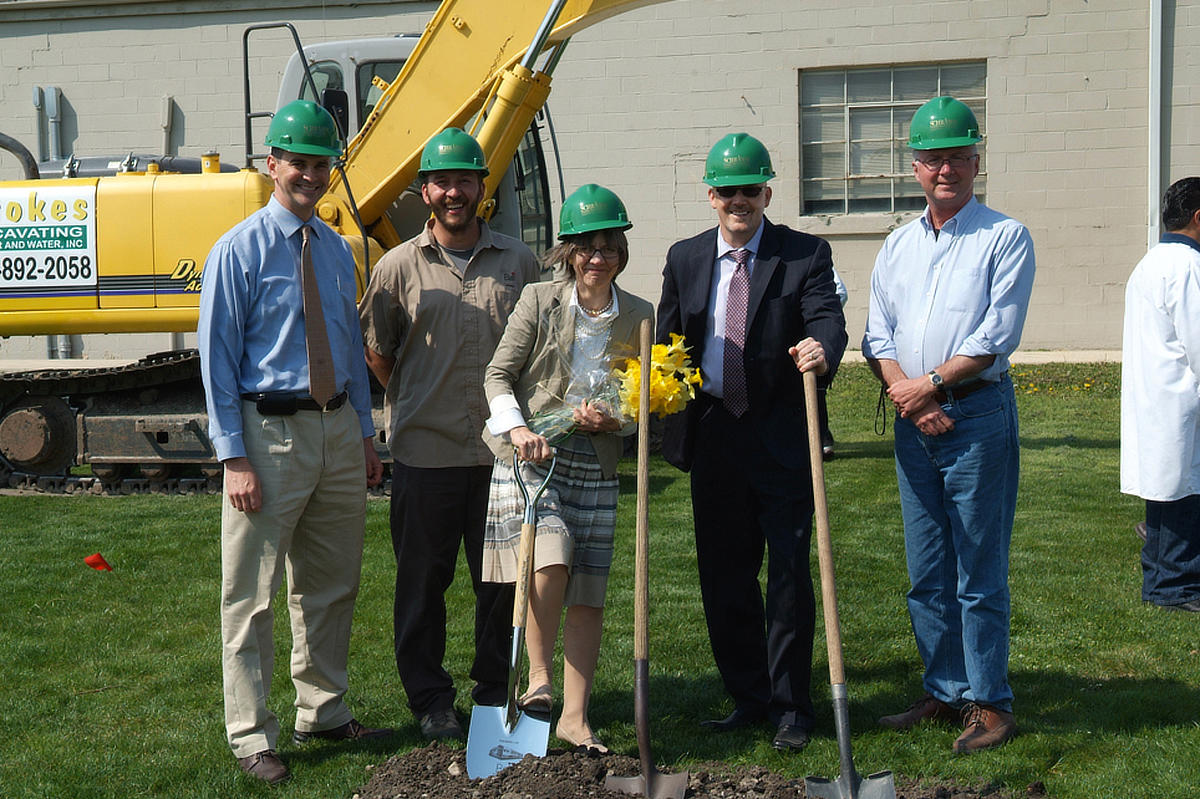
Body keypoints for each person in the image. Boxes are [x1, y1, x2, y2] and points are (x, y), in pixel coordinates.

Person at [198, 100, 389, 785]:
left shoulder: (336, 250)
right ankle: (251, 733)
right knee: (250, 591)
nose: (309, 175)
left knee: (332, 582)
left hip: (337, 428)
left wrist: (365, 434)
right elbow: (216, 361)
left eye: (320, 164)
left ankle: (325, 708)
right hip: (267, 432)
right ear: (270, 164)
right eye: (297, 163)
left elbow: (347, 348)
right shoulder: (237, 250)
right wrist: (233, 457)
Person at [656, 132, 847, 752]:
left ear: (768, 192)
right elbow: (667, 340)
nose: (740, 201)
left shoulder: (803, 254)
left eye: (751, 190)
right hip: (714, 431)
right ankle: (749, 695)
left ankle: (792, 705)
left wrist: (823, 347)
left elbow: (827, 319)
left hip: (781, 431)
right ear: (710, 196)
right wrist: (657, 388)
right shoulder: (685, 258)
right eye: (728, 191)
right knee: (724, 573)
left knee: (790, 572)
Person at [862, 95, 1036, 754]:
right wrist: (911, 397)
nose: (945, 169)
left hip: (976, 416)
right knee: (927, 569)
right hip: (916, 422)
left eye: (957, 156)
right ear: (915, 166)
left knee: (978, 568)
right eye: (933, 158)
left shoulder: (1004, 236)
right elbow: (878, 332)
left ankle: (991, 702)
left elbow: (997, 334)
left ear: (975, 160)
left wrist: (932, 384)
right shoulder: (898, 243)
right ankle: (944, 688)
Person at [358, 127, 541, 740]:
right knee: (420, 588)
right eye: (442, 181)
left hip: (500, 458)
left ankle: (495, 695)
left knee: (501, 586)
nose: (454, 192)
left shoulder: (521, 263)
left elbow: (538, 354)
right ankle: (431, 700)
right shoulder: (395, 268)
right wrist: (416, 398)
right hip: (425, 455)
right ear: (425, 190)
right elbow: (379, 354)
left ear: (481, 187)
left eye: (466, 179)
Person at [1121, 176, 1200, 613]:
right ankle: (1174, 586)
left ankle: (1159, 568)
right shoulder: (1188, 267)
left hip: (1157, 397)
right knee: (1183, 492)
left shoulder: (1151, 262)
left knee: (1168, 489)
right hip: (1179, 400)